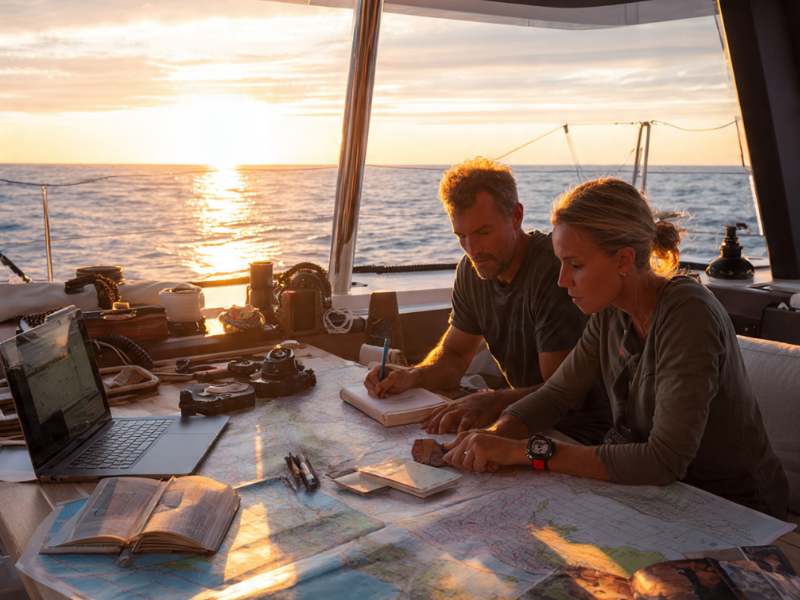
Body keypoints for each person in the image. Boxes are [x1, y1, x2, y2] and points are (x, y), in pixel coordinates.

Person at [442, 177, 789, 518]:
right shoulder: (611, 311)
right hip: (661, 496)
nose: (563, 280)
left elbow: (662, 460)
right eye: (561, 262)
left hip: (735, 508)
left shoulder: (689, 315)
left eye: (575, 265)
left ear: (623, 260)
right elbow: (557, 394)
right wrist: (493, 436)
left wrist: (525, 451)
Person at [364, 157, 611, 445]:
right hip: (525, 420)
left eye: (483, 232)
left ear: (515, 216)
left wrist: (491, 403)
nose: (473, 250)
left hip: (582, 432)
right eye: (462, 236)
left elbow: (561, 393)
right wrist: (413, 376)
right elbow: (455, 356)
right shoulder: (471, 271)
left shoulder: (554, 273)